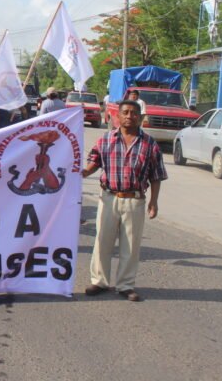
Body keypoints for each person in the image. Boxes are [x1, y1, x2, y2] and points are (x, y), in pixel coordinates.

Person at [81, 100, 167, 302]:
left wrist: (154, 202)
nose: (129, 116)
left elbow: (156, 176)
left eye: (134, 113)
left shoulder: (149, 144)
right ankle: (99, 281)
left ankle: (125, 285)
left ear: (140, 117)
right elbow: (94, 162)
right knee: (103, 241)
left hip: (134, 200)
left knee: (131, 245)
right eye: (125, 112)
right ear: (117, 116)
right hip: (109, 198)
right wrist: (84, 172)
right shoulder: (106, 139)